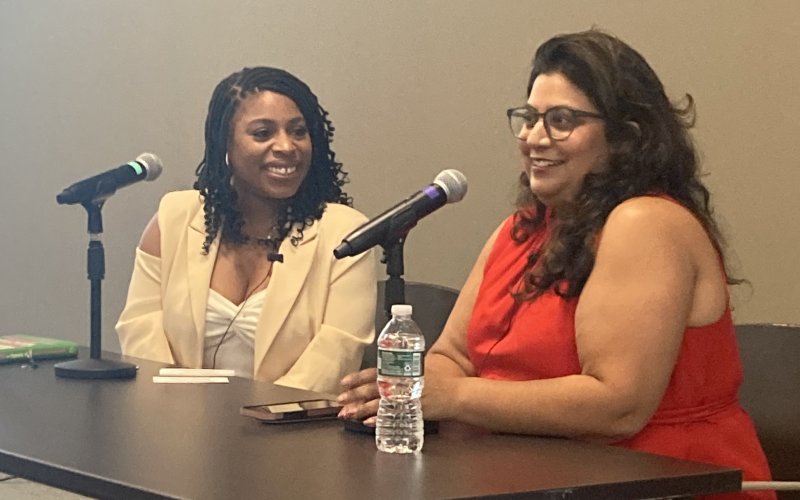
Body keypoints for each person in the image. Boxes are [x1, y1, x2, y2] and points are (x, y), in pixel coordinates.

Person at [338, 30, 774, 498]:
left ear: (626, 136)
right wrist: (417, 395)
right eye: (529, 118)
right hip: (534, 477)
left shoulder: (645, 222)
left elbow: (616, 405)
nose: (533, 138)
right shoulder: (521, 229)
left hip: (656, 480)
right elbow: (452, 356)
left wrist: (452, 399)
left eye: (560, 120)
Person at [116, 67, 377, 395]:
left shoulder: (345, 234)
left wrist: (260, 422)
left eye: (298, 131)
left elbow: (335, 354)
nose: (286, 146)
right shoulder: (173, 219)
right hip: (178, 427)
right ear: (225, 144)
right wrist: (179, 419)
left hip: (292, 432)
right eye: (263, 133)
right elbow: (140, 333)